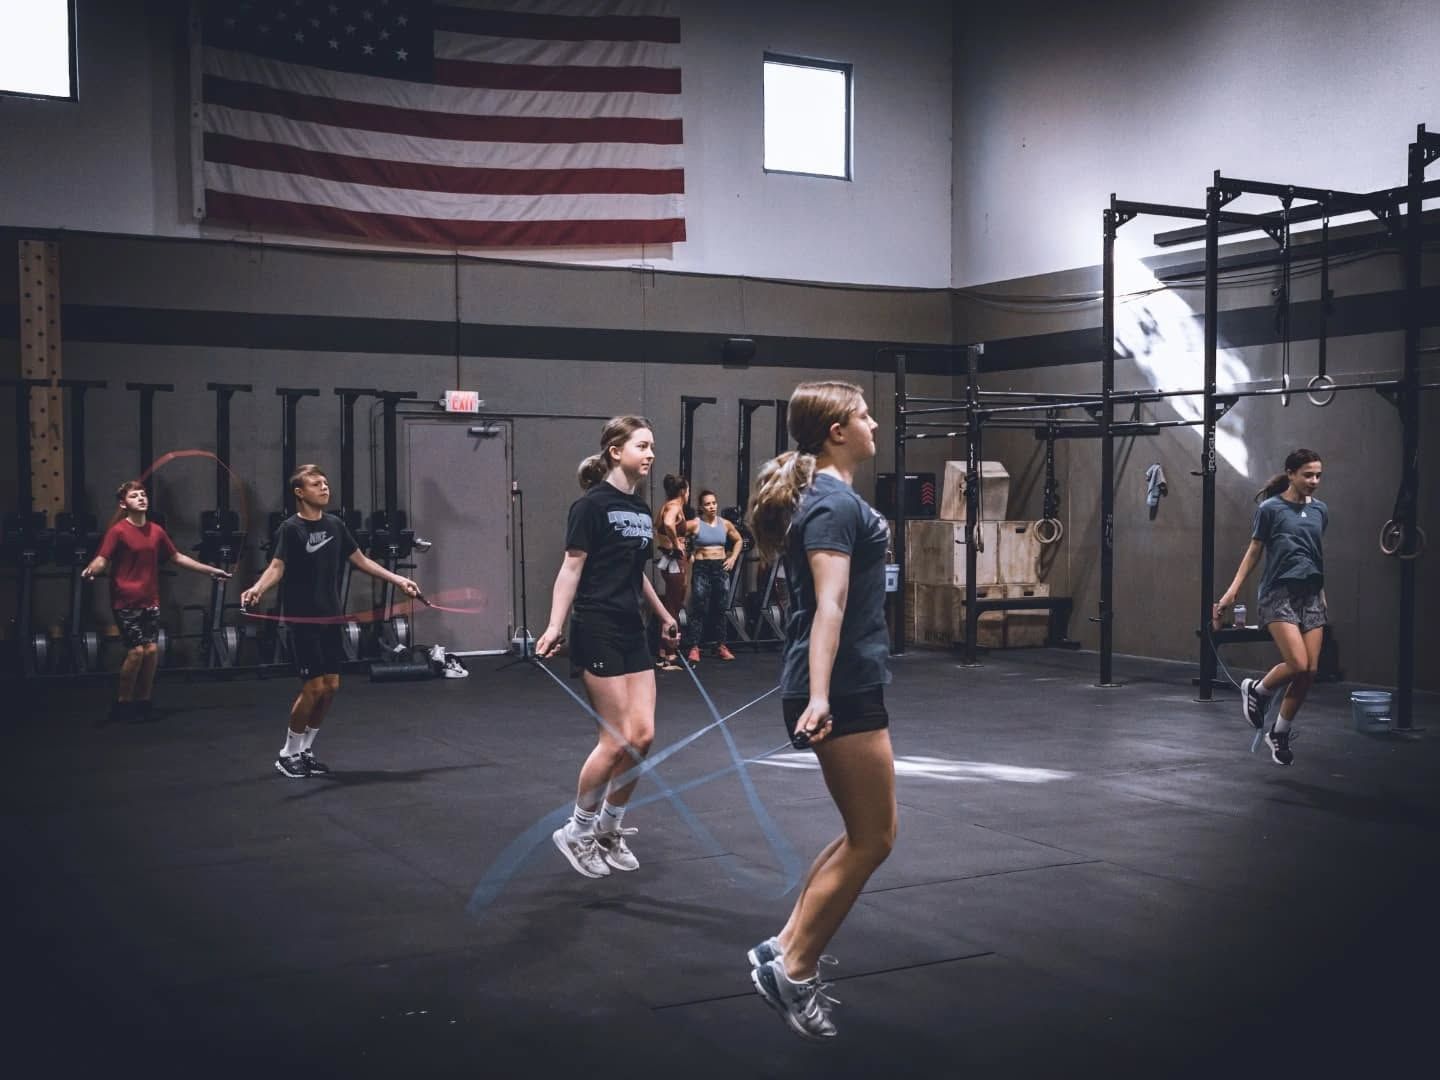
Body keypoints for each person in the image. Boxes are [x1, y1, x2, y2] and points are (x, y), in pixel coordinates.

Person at [744, 381, 895, 1040]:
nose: (875, 424)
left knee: (859, 832)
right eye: (864, 415)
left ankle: (783, 945)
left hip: (845, 682)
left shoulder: (830, 498)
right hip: (844, 688)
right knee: (876, 838)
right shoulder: (832, 505)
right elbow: (829, 606)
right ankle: (795, 970)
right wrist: (825, 694)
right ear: (837, 430)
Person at [535, 417, 680, 878]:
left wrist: (662, 614)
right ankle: (576, 830)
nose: (651, 453)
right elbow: (571, 569)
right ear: (616, 451)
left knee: (643, 737)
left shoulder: (640, 510)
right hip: (595, 626)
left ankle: (609, 827)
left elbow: (636, 573)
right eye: (642, 445)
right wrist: (555, 625)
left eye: (653, 445)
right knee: (615, 738)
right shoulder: (590, 507)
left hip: (631, 628)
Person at [240, 465, 420, 779]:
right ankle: (288, 753)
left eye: (325, 483)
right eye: (315, 484)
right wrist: (257, 588)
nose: (324, 488)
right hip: (303, 618)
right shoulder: (290, 529)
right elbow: (277, 566)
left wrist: (398, 580)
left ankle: (306, 750)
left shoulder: (336, 525)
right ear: (300, 492)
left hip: (331, 615)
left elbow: (361, 560)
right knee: (313, 687)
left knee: (331, 686)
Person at [1214, 448, 1328, 766]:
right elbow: (1253, 553)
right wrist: (1231, 593)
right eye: (1307, 474)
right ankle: (1258, 689)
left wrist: (1323, 594)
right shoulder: (1270, 509)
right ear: (1290, 474)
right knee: (1297, 663)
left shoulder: (1321, 510)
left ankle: (1278, 733)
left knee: (1310, 671)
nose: (1314, 481)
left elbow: (1315, 554)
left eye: (1318, 475)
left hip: (1311, 595)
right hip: (1278, 593)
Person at [83, 480, 232, 723]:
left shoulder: (156, 531)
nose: (141, 498)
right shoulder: (118, 531)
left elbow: (178, 557)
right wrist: (92, 568)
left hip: (150, 598)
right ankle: (122, 704)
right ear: (124, 503)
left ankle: (144, 702)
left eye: (143, 495)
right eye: (134, 496)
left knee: (152, 650)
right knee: (136, 652)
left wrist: (211, 571)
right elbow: (102, 558)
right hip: (125, 599)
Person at [681, 490, 742, 663]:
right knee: (699, 607)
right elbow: (680, 535)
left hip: (720, 568)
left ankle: (720, 646)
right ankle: (694, 647)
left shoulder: (725, 524)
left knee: (721, 608)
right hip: (702, 568)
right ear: (701, 506)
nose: (712, 506)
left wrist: (732, 558)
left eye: (714, 503)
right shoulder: (695, 524)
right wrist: (688, 553)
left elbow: (738, 540)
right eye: (708, 504)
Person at [652, 473, 690, 670]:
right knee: (674, 607)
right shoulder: (675, 506)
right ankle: (670, 655)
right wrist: (677, 545)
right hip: (674, 560)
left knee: (670, 605)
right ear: (684, 491)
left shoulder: (667, 505)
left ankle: (662, 653)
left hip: (669, 560)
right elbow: (667, 523)